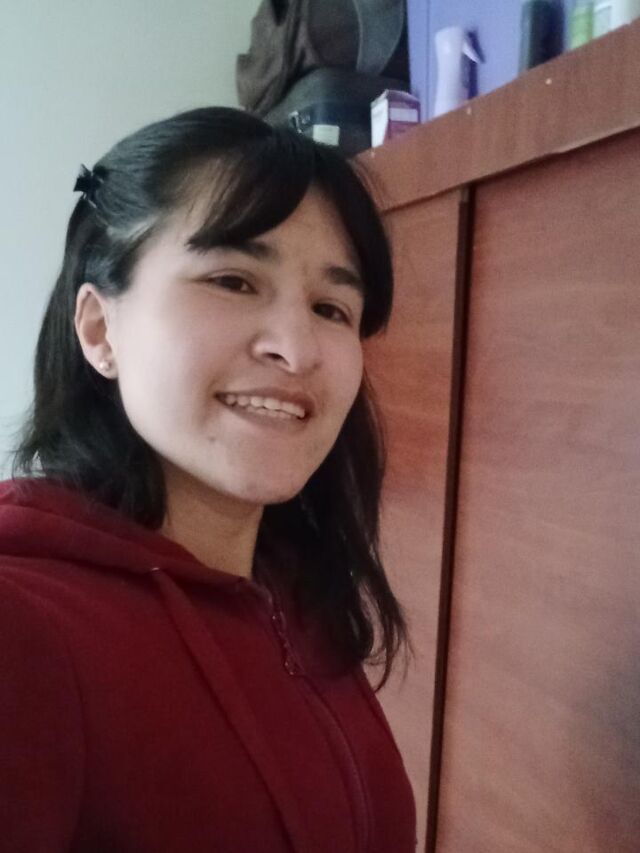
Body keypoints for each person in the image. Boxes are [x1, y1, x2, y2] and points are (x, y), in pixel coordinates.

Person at [0, 106, 417, 852]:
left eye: (331, 307)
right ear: (98, 328)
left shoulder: (299, 592)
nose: (297, 349)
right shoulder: (23, 626)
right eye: (232, 280)